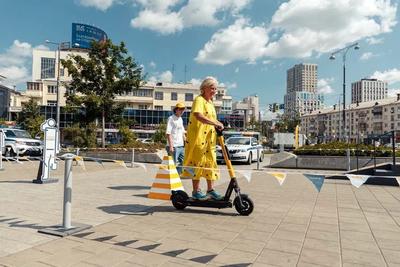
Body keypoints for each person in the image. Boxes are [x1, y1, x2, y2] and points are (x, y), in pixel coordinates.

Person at [182, 77, 224, 200]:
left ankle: (210, 190)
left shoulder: (211, 103)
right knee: (198, 163)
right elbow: (198, 115)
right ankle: (196, 191)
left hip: (209, 139)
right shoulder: (199, 100)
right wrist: (215, 123)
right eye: (212, 88)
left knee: (211, 163)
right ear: (204, 88)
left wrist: (219, 124)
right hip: (198, 138)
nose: (214, 91)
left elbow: (212, 119)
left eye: (215, 89)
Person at [166, 102, 186, 175]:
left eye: (183, 109)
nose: (182, 111)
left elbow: (183, 132)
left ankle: (176, 175)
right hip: (173, 146)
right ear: (176, 110)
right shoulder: (171, 119)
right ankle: (171, 179)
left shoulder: (180, 119)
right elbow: (168, 133)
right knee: (172, 164)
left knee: (184, 161)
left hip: (180, 146)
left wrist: (186, 142)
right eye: (180, 109)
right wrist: (171, 146)